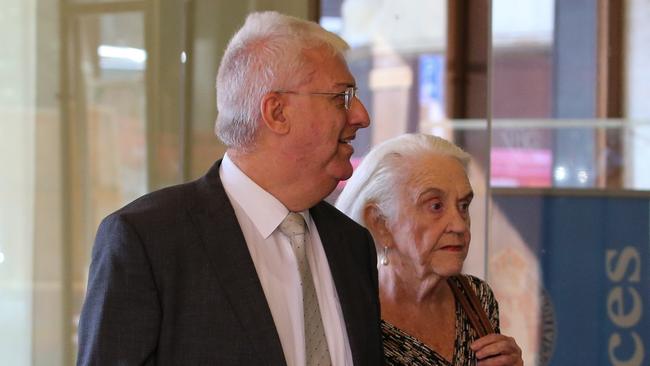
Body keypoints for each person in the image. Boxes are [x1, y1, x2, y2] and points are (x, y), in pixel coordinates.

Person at [77, 11, 383, 366]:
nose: (361, 115)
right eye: (341, 97)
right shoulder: (149, 242)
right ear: (277, 112)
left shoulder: (352, 244)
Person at [336, 133, 523, 365]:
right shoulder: (349, 313)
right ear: (380, 223)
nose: (459, 225)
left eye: (463, 205)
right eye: (435, 206)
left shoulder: (476, 297)